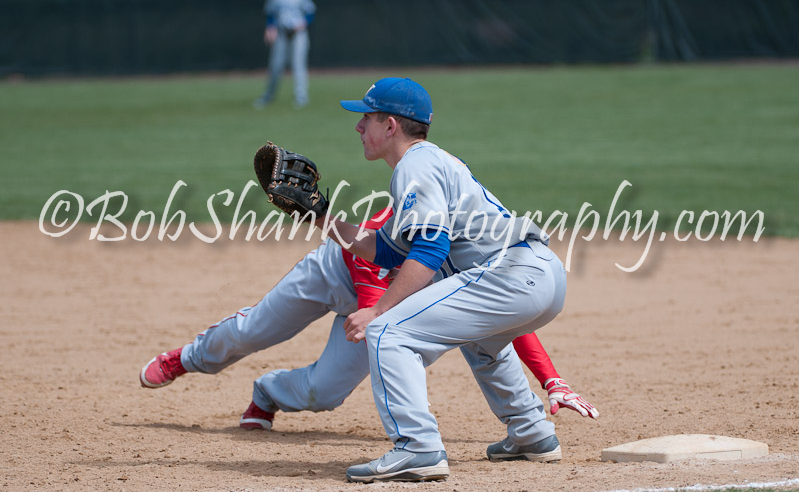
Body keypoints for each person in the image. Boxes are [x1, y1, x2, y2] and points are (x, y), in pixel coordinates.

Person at [318, 77, 572, 482]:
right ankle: (531, 433)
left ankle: (417, 447)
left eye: (367, 117)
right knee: (483, 341)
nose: (358, 126)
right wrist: (319, 216)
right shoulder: (429, 162)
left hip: (511, 275)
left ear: (391, 125)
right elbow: (385, 250)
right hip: (539, 275)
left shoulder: (415, 166)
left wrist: (378, 311)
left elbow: (430, 250)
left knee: (387, 332)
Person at [139, 209, 596, 431]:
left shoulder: (468, 246)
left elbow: (501, 318)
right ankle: (188, 358)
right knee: (254, 330)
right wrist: (381, 318)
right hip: (334, 276)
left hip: (382, 306)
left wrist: (551, 379)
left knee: (324, 393)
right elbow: (375, 299)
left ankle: (268, 393)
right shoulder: (393, 227)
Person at [253, 0, 316, 109]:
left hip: (297, 33)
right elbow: (270, 14)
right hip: (281, 32)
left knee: (298, 65)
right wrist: (270, 28)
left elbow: (311, 12)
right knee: (275, 66)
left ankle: (301, 97)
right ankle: (268, 96)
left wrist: (303, 23)